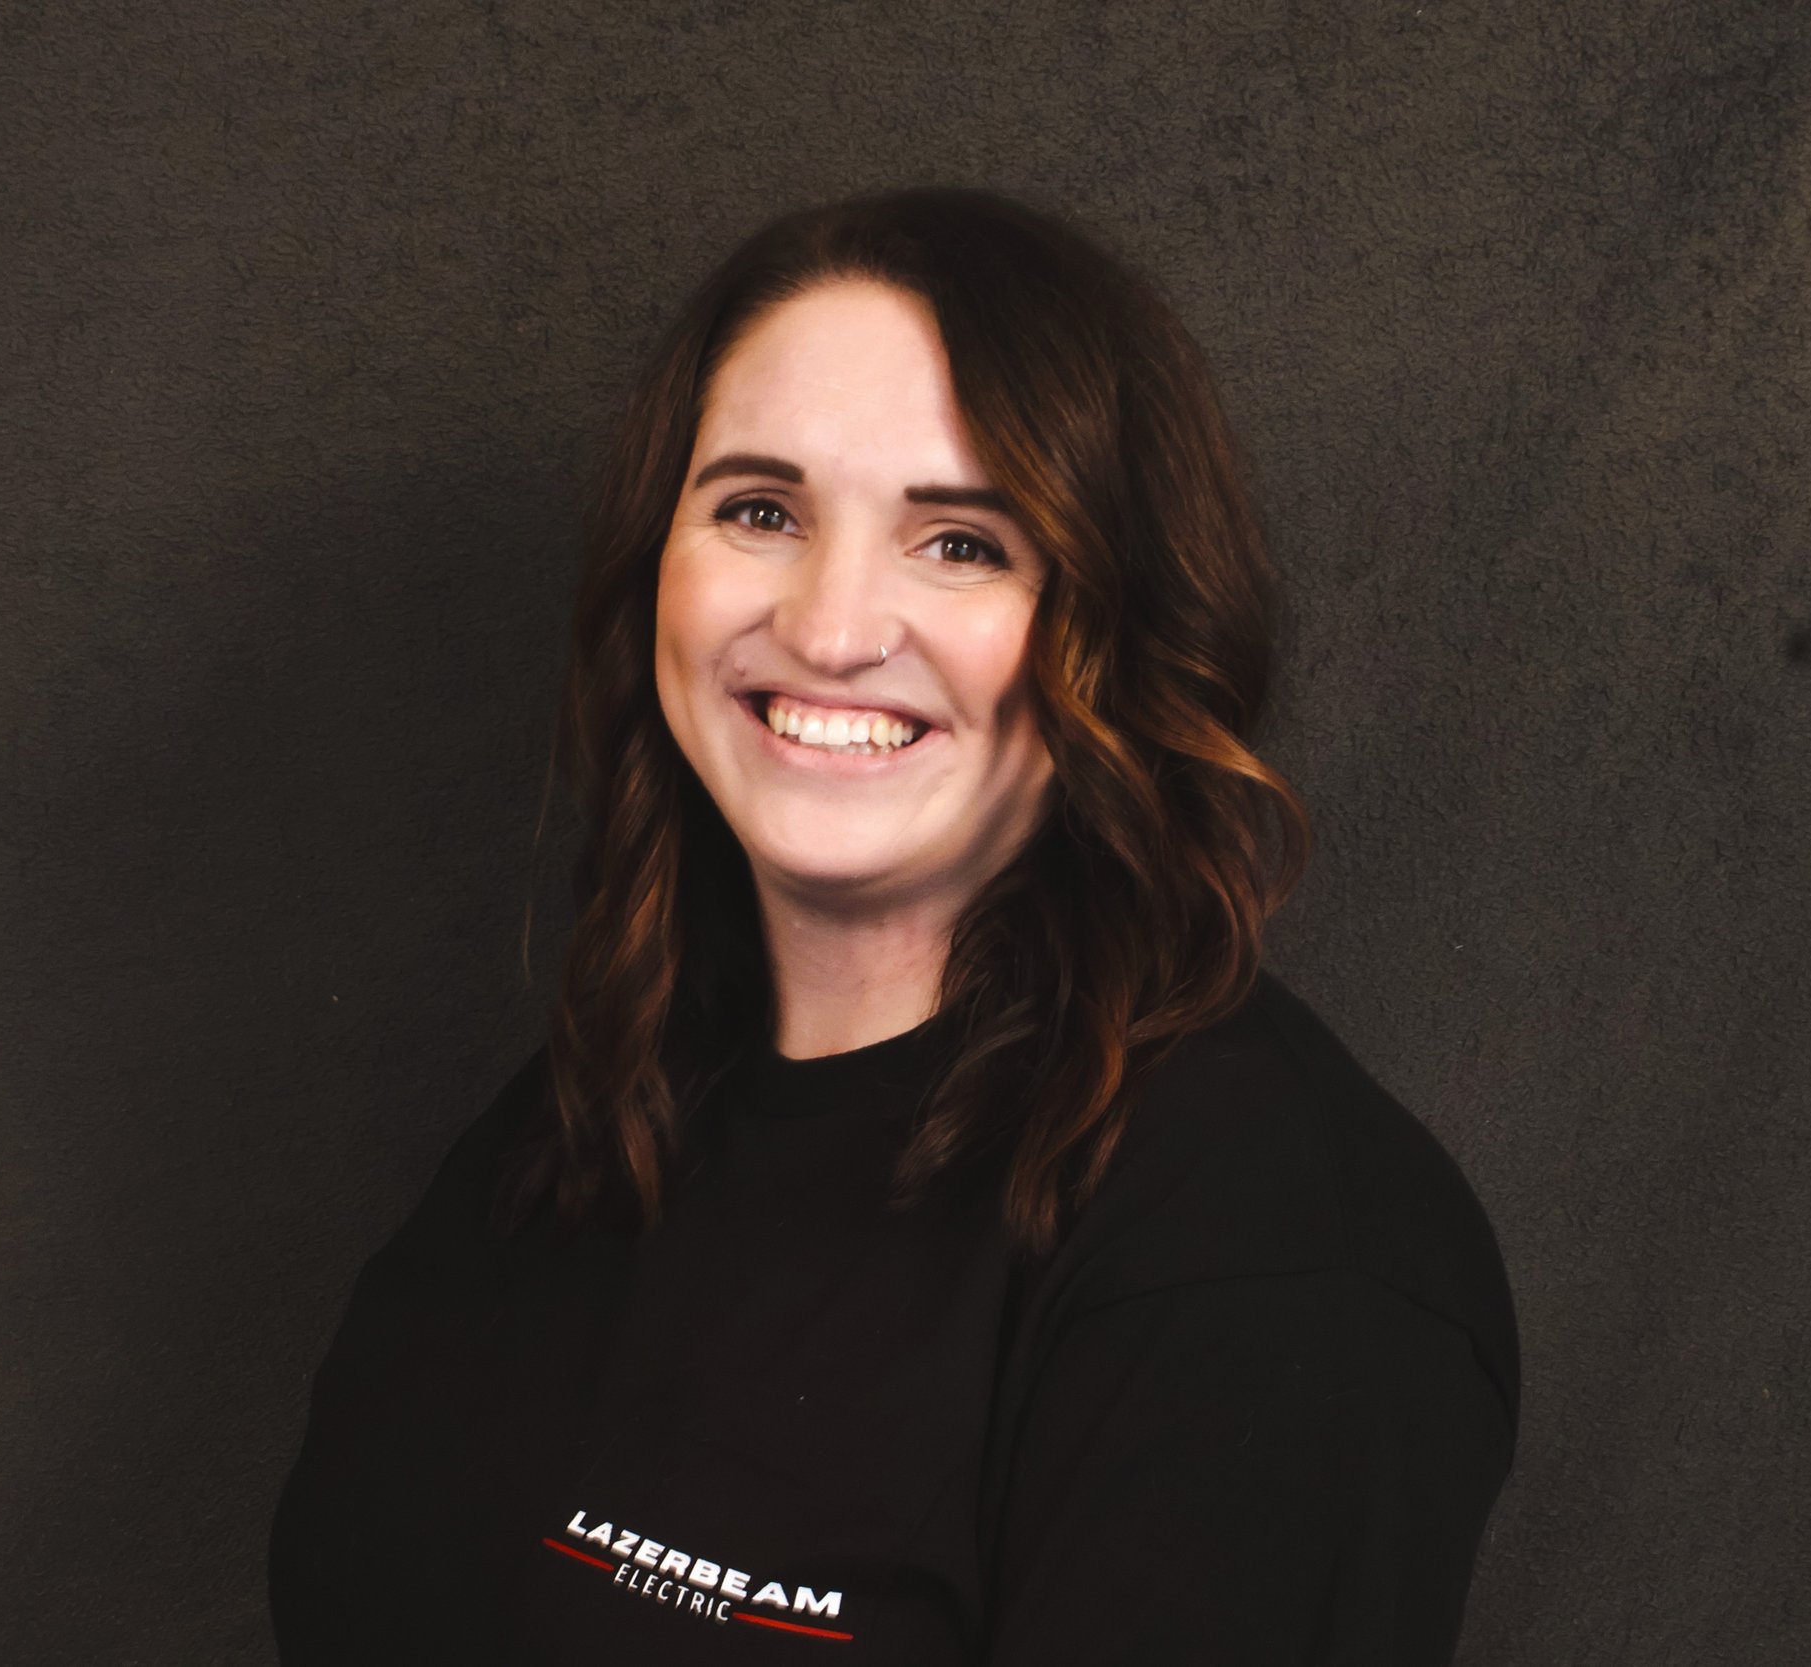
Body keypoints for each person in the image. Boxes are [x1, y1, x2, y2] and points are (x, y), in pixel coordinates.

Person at [268, 187, 1519, 1665]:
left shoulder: (1277, 1267)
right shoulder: (588, 1113)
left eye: (964, 543)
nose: (831, 625)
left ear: (1121, 629)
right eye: (760, 511)